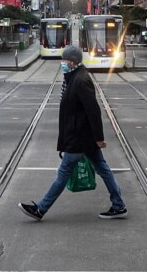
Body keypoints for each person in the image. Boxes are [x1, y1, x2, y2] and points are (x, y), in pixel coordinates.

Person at [19, 45, 127, 221]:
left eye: (64, 60)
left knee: (63, 174)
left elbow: (93, 110)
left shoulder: (80, 80)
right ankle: (119, 205)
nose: (62, 63)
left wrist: (99, 138)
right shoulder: (72, 78)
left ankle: (41, 209)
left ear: (72, 61)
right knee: (104, 170)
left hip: (79, 138)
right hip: (83, 137)